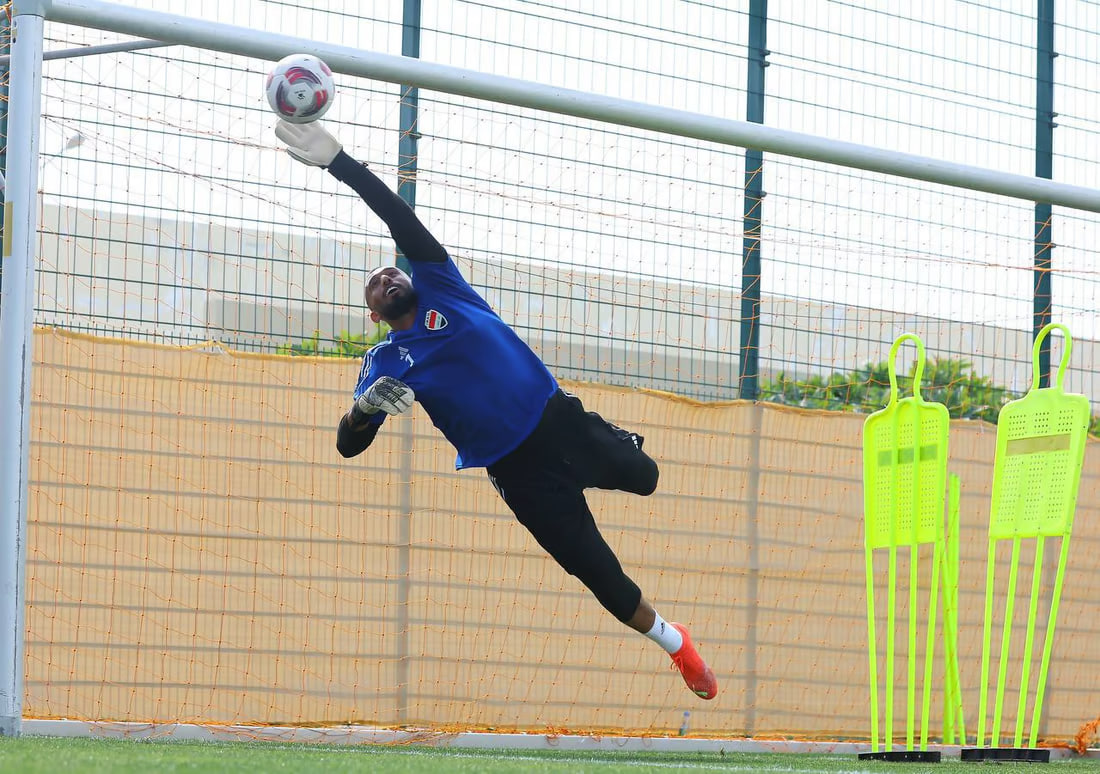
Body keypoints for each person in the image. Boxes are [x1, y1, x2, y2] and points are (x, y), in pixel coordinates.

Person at [274, 119, 717, 701]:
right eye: (375, 286)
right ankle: (675, 644)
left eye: (391, 270)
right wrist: (362, 413)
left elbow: (397, 219)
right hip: (518, 473)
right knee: (602, 580)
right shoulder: (386, 364)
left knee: (647, 477)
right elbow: (346, 444)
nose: (386, 277)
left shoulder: (442, 285)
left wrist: (339, 162)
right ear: (374, 315)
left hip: (560, 421)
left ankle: (614, 440)